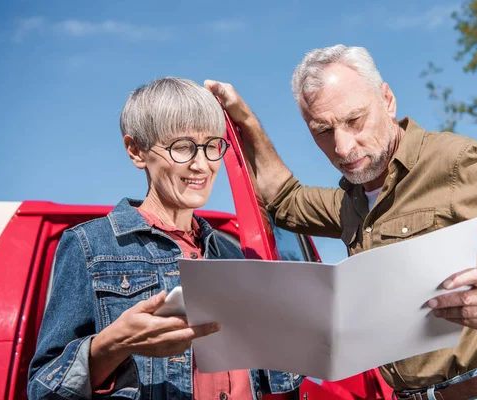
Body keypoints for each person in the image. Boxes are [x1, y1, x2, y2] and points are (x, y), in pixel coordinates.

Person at [205, 45, 477, 400]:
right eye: (323, 132)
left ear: (387, 100)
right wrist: (244, 120)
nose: (342, 147)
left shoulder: (459, 164)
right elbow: (284, 199)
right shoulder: (350, 204)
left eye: (354, 120)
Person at [28, 77, 302, 400]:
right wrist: (113, 343)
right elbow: (44, 388)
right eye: (183, 147)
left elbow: (272, 378)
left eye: (213, 145)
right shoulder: (90, 246)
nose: (202, 165)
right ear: (136, 151)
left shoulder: (233, 254)